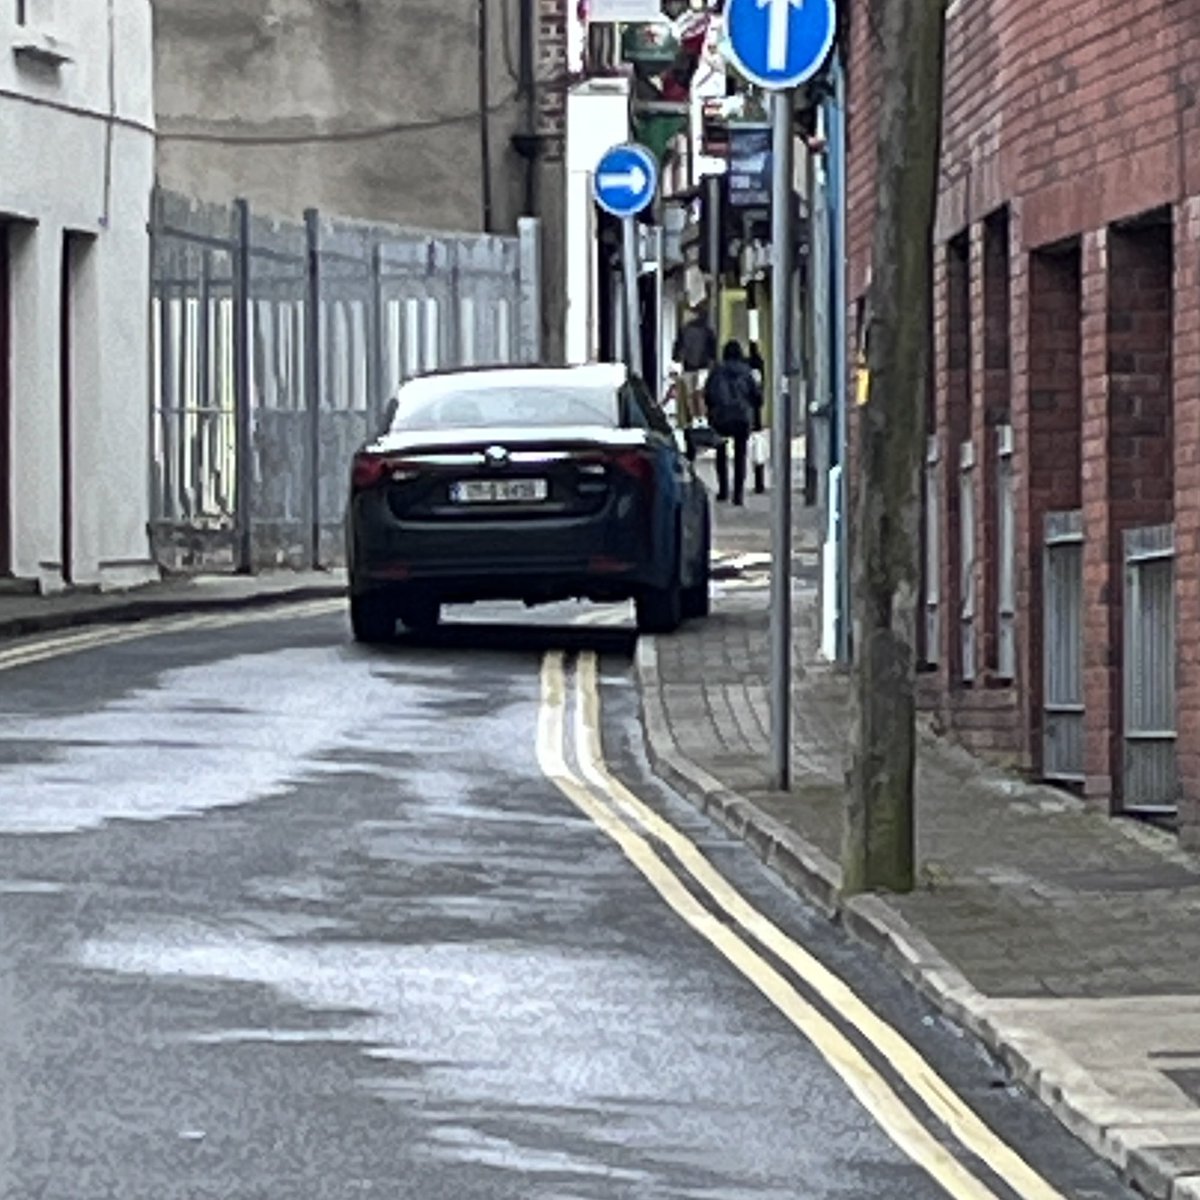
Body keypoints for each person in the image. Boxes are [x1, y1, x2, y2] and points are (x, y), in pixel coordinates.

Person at [704, 340, 761, 505]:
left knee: (720, 453)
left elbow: (708, 394)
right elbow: (757, 396)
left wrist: (713, 410)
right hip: (742, 418)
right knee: (740, 455)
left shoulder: (717, 372)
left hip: (721, 417)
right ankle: (738, 494)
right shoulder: (747, 372)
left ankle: (723, 490)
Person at [746, 341, 767, 494]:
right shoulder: (756, 371)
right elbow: (758, 395)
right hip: (754, 417)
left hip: (741, 415)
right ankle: (759, 482)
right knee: (757, 450)